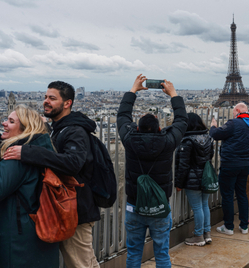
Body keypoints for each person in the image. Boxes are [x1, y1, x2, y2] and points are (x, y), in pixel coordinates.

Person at [4, 81, 101, 268]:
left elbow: (72, 163)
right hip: (63, 207)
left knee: (81, 264)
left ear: (67, 103)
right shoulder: (61, 128)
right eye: (45, 97)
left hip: (74, 209)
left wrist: (28, 152)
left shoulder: (75, 131)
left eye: (52, 98)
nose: (46, 101)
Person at [117, 75, 188, 268]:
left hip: (134, 204)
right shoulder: (167, 141)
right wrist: (173, 94)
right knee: (162, 253)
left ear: (137, 128)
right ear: (159, 128)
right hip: (159, 206)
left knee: (133, 254)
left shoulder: (130, 140)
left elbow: (123, 117)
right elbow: (182, 120)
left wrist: (133, 90)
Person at [0, 106, 59, 268]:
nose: (4, 123)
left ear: (25, 129)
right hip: (41, 231)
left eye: (11, 121)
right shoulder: (43, 151)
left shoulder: (17, 157)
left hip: (18, 240)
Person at [210, 103, 249, 235]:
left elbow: (216, 134)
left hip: (230, 163)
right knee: (242, 194)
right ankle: (244, 225)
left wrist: (213, 126)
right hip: (245, 164)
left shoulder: (233, 123)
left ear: (237, 111)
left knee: (228, 195)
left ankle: (229, 226)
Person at [174, 113, 214, 246]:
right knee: (204, 205)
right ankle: (207, 233)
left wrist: (179, 183)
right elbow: (211, 156)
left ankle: (198, 236)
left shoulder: (187, 141)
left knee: (197, 207)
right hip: (206, 177)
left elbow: (183, 164)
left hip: (192, 179)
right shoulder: (208, 138)